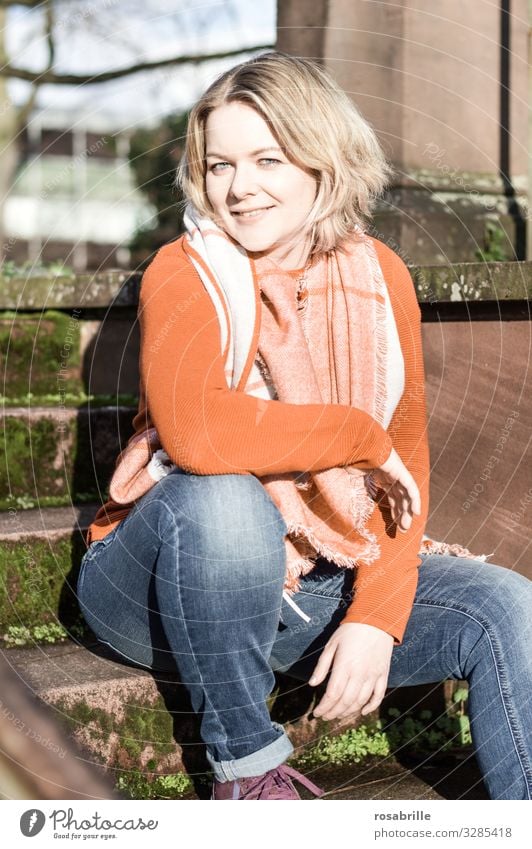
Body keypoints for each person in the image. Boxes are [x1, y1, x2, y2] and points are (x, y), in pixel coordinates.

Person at [77, 52, 532, 801]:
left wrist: (376, 619)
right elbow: (199, 435)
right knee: (224, 496)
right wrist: (358, 435)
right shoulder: (184, 270)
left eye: (268, 159)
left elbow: (402, 468)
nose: (239, 187)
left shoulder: (380, 275)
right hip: (156, 586)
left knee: (505, 603)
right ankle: (247, 772)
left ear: (323, 160)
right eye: (219, 164)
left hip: (311, 585)